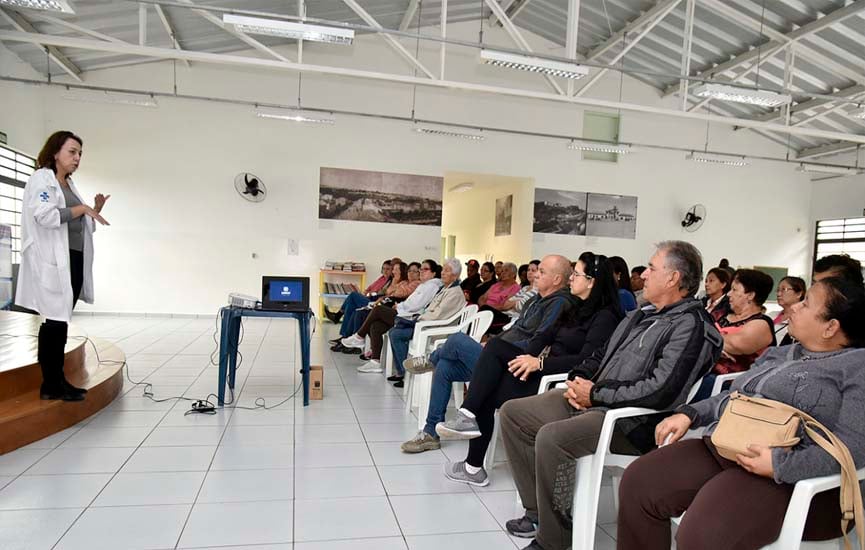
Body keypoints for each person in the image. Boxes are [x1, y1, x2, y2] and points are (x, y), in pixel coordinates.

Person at [498, 241, 723, 550]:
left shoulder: (692, 326)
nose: (643, 274)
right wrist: (579, 382)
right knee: (513, 414)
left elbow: (662, 390)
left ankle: (555, 540)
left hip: (634, 422)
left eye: (652, 268)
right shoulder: (639, 315)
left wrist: (597, 395)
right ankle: (540, 512)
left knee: (552, 438)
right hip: (597, 401)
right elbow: (599, 356)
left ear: (672, 278)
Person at [618, 276, 865, 550]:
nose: (794, 307)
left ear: (831, 327)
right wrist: (690, 414)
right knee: (640, 483)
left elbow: (852, 448)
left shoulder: (857, 368)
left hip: (795, 481)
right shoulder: (782, 353)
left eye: (806, 304)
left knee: (704, 533)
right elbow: (735, 397)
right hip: (730, 445)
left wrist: (781, 465)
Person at [418, 254, 621, 480]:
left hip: (556, 379)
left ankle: (468, 427)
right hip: (539, 369)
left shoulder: (604, 317)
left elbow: (585, 361)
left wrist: (538, 361)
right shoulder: (577, 308)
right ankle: (472, 464)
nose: (571, 278)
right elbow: (544, 336)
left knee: (490, 354)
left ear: (592, 281)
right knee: (489, 371)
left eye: (576, 274)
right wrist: (527, 356)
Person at [400, 255, 573, 457]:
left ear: (557, 280)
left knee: (456, 340)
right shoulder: (537, 300)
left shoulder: (559, 303)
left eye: (541, 271)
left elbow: (536, 342)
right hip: (497, 356)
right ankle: (430, 433)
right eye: (536, 270)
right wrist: (491, 345)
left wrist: (497, 349)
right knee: (446, 368)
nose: (533, 274)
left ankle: (431, 359)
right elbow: (515, 329)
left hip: (514, 363)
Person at [16, 131, 110, 401]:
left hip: (74, 259)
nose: (77, 158)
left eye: (80, 153)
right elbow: (46, 217)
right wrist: (82, 210)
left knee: (60, 322)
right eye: (72, 152)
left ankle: (57, 381)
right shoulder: (42, 180)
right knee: (55, 323)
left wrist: (94, 208)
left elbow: (80, 222)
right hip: (55, 261)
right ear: (55, 152)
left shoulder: (67, 184)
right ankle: (51, 384)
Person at [342, 259, 442, 373]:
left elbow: (415, 305)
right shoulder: (424, 285)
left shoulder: (431, 286)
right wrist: (399, 305)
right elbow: (405, 299)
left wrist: (399, 306)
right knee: (376, 325)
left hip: (409, 317)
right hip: (403, 312)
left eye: (425, 269)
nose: (421, 272)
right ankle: (375, 362)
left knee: (378, 310)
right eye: (421, 269)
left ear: (433, 273)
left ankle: (359, 337)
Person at [693, 269, 776, 401]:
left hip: (730, 384)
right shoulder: (721, 314)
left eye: (734, 290)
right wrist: (716, 346)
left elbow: (735, 345)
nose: (729, 294)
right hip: (702, 370)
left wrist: (708, 342)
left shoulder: (762, 324)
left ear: (750, 295)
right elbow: (693, 331)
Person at [386, 258, 466, 387]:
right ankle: (403, 372)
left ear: (455, 275)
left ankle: (405, 374)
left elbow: (438, 315)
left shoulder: (455, 293)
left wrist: (418, 319)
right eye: (443, 270)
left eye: (447, 271)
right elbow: (430, 310)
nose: (443, 273)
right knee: (394, 330)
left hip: (435, 330)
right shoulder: (446, 289)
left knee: (396, 334)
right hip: (426, 324)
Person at [332, 260, 413, 352]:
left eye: (393, 269)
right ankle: (347, 338)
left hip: (380, 303)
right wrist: (369, 293)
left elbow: (392, 294)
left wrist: (387, 289)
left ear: (402, 271)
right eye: (385, 269)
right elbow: (373, 290)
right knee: (355, 309)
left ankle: (340, 321)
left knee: (353, 296)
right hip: (374, 300)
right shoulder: (385, 279)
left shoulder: (402, 283)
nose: (391, 271)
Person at [328, 259, 392, 341]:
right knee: (351, 306)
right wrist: (366, 292)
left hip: (375, 303)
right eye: (383, 268)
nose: (385, 271)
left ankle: (338, 315)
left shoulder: (390, 281)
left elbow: (379, 294)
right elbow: (369, 289)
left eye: (388, 269)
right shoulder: (381, 279)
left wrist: (369, 293)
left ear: (392, 270)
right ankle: (345, 337)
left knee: (353, 295)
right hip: (369, 298)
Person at [478, 262, 522, 333]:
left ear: (513, 274)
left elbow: (504, 305)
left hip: (501, 313)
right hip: (485, 310)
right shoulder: (496, 285)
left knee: (483, 312)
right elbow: (482, 298)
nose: (503, 273)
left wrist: (488, 308)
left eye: (506, 271)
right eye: (502, 271)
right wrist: (484, 306)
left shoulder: (516, 288)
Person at [773, 275, 806, 345]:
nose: (778, 294)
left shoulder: (804, 321)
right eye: (778, 290)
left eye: (784, 289)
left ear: (799, 294)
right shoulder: (771, 315)